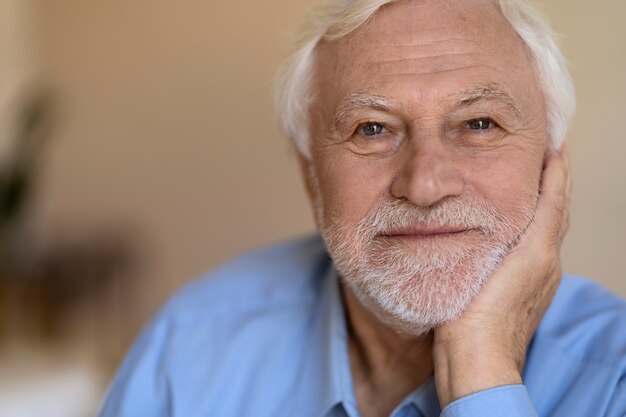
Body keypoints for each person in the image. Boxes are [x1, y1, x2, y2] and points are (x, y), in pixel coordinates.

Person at [97, 0, 626, 416]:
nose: (424, 185)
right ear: (311, 173)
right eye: (371, 129)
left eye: (479, 124)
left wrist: (481, 369)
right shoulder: (190, 347)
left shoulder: (614, 375)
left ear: (550, 166)